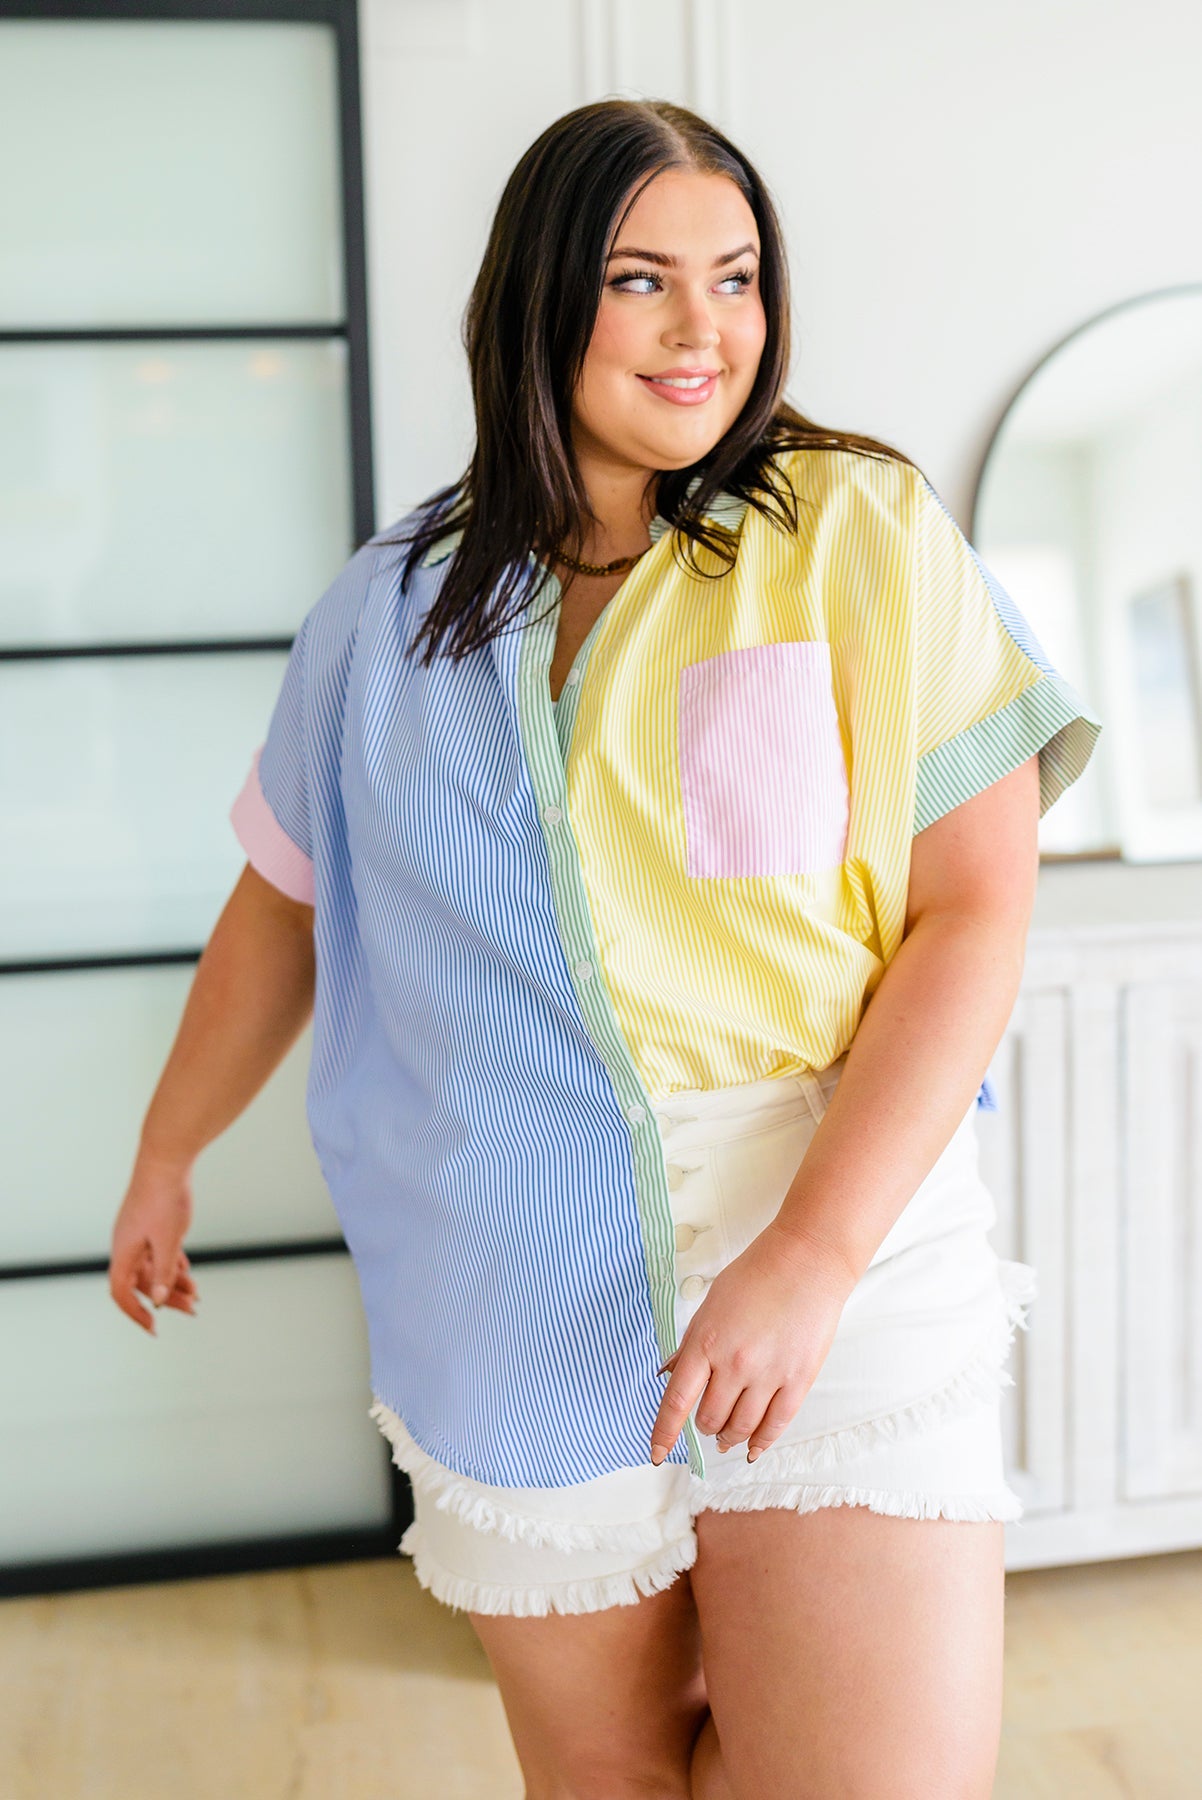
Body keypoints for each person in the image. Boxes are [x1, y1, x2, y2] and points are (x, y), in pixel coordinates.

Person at [108, 97, 1102, 1800]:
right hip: (505, 1270)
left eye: (735, 276)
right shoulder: (384, 612)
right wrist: (165, 1148)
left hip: (834, 1221)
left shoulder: (856, 531)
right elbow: (284, 904)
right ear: (536, 299)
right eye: (642, 279)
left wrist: (807, 1252)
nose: (704, 326)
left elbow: (973, 911)